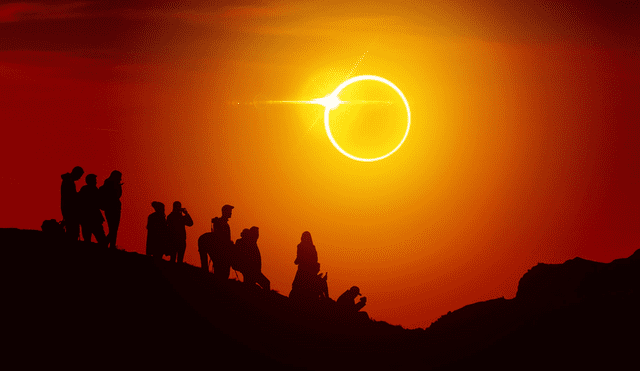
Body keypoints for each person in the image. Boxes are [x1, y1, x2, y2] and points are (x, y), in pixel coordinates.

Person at [290, 231, 327, 301]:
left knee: (296, 286)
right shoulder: (312, 247)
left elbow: (299, 258)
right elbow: (316, 259)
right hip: (311, 271)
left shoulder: (300, 246)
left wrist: (296, 261)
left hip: (303, 270)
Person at [78, 174, 106, 246]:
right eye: (94, 180)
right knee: (101, 239)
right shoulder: (94, 190)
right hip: (94, 218)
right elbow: (99, 203)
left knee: (87, 239)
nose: (96, 181)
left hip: (85, 218)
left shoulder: (83, 189)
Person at [210, 204, 234, 280]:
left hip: (224, 253)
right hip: (221, 253)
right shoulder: (220, 222)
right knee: (221, 275)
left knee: (223, 274)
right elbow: (220, 238)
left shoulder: (222, 223)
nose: (230, 213)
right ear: (224, 212)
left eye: (231, 211)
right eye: (229, 211)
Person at [60, 166, 84, 243]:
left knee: (71, 228)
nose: (79, 178)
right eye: (79, 176)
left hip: (66, 207)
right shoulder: (69, 181)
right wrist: (79, 195)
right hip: (69, 208)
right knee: (72, 229)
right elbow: (70, 196)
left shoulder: (68, 180)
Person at [100, 170, 122, 249]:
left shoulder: (107, 184)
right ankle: (106, 243)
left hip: (111, 208)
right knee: (113, 229)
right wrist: (118, 187)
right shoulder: (111, 185)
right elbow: (116, 195)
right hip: (112, 208)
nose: (120, 179)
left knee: (113, 228)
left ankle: (111, 244)